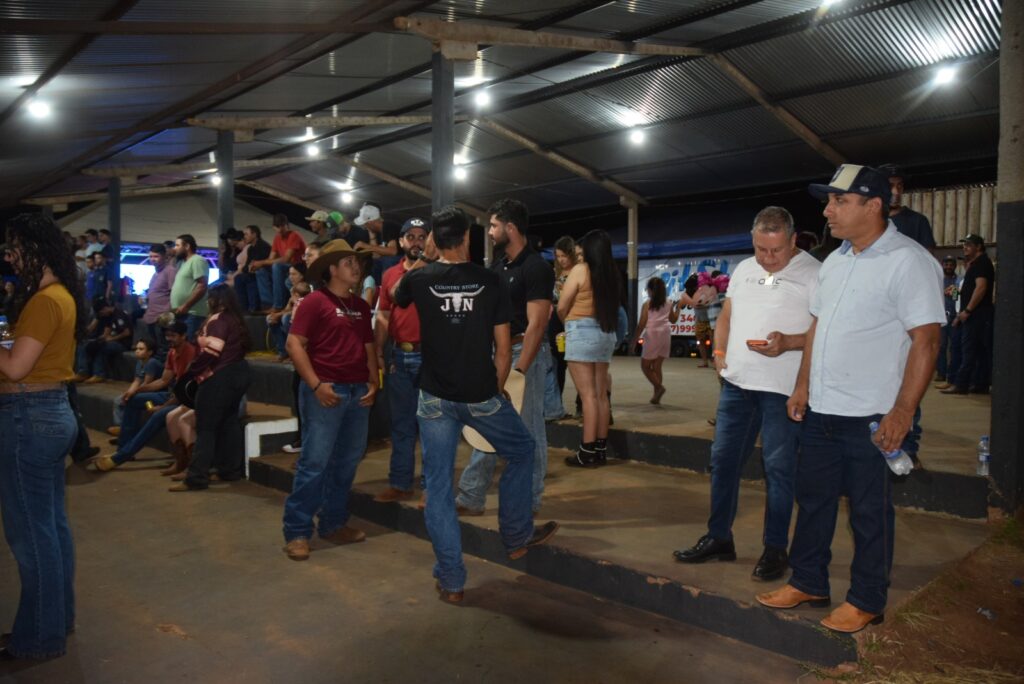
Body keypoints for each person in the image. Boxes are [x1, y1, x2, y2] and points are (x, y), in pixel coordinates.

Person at [757, 164, 943, 634]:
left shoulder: (910, 261)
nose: (828, 210)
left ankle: (866, 599)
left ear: (873, 205)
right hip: (822, 408)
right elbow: (818, 327)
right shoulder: (836, 260)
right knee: (814, 500)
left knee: (868, 512)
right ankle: (809, 582)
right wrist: (802, 385)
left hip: (872, 414)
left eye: (839, 200)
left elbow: (926, 341)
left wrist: (902, 411)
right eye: (829, 200)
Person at [391, 206, 559, 603]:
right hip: (480, 395)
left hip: (433, 398)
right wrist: (497, 388)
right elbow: (503, 349)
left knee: (438, 487)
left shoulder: (418, 279)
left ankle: (452, 581)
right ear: (467, 237)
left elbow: (398, 298)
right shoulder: (489, 280)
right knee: (521, 449)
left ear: (434, 238)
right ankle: (516, 536)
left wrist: (427, 258)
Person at [673, 206, 820, 583]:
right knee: (722, 461)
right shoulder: (744, 270)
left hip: (781, 390)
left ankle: (775, 548)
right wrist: (720, 354)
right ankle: (720, 537)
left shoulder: (815, 273)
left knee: (779, 469)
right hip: (738, 385)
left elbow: (824, 332)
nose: (768, 259)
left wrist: (790, 342)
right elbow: (726, 316)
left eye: (776, 250)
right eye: (760, 250)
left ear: (793, 240)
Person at [0, 213, 85, 661]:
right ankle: (56, 621)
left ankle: (38, 637)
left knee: (31, 537)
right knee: (51, 529)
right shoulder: (60, 296)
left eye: (14, 250)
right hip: (51, 413)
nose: (10, 259)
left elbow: (15, 367)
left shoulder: (44, 301)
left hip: (28, 417)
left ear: (36, 250)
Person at [455, 199, 554, 515]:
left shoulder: (536, 267)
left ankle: (530, 500)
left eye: (495, 226)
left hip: (525, 354)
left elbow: (537, 324)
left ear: (510, 227)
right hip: (497, 354)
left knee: (528, 428)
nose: (491, 232)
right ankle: (471, 496)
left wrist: (520, 369)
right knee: (488, 423)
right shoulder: (497, 268)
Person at [281, 240, 377, 560]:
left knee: (347, 462)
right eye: (348, 262)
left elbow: (368, 346)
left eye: (357, 262)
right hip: (327, 389)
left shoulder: (361, 307)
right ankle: (297, 531)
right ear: (331, 269)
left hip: (356, 391)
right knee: (315, 462)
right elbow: (295, 344)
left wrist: (374, 381)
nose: (356, 267)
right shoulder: (314, 301)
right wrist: (316, 385)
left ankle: (333, 523)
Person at [169, 284, 252, 491]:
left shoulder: (218, 320)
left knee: (206, 427)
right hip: (239, 373)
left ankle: (196, 477)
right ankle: (229, 470)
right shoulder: (235, 319)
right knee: (229, 422)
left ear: (217, 300)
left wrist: (192, 371)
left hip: (219, 376)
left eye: (209, 298)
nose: (207, 302)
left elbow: (212, 352)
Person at [373, 217, 429, 503]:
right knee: (402, 424)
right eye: (411, 236)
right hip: (399, 356)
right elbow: (383, 316)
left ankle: (431, 488)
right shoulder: (389, 275)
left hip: (431, 356)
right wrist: (379, 352)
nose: (416, 241)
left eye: (422, 236)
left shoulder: (435, 272)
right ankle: (400, 483)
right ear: (402, 241)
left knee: (433, 425)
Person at [94, 322, 197, 473]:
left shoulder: (191, 353)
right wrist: (136, 391)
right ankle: (123, 447)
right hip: (171, 394)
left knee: (158, 416)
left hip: (185, 399)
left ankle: (120, 457)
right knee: (134, 400)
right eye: (167, 335)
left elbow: (184, 391)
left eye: (173, 336)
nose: (169, 339)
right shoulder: (172, 352)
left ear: (184, 336)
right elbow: (164, 380)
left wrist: (162, 407)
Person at [558, 229, 620, 468]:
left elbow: (562, 305)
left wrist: (568, 322)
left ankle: (586, 451)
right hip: (605, 332)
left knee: (588, 397)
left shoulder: (580, 270)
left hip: (581, 332)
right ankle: (601, 449)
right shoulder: (611, 273)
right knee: (601, 395)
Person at [941, 234, 995, 395]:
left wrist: (968, 311)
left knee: (969, 350)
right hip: (964, 314)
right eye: (964, 245)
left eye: (969, 245)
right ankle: (979, 383)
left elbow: (981, 288)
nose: (965, 248)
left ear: (978, 247)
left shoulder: (981, 264)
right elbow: (965, 294)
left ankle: (961, 384)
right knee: (975, 350)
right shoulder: (970, 271)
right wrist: (956, 296)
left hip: (975, 315)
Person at [631, 277, 679, 404]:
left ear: (652, 291)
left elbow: (641, 324)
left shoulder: (648, 304)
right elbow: (673, 320)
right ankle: (656, 395)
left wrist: (634, 341)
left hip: (653, 335)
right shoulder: (668, 303)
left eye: (648, 289)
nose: (647, 291)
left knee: (645, 366)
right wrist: (678, 308)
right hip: (665, 334)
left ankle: (659, 388)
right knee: (657, 366)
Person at [543, 236, 575, 421]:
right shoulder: (556, 275)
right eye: (558, 256)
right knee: (557, 366)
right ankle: (556, 405)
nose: (562, 259)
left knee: (577, 365)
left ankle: (582, 404)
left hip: (572, 320)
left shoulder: (578, 273)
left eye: (564, 255)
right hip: (555, 323)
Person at [250, 214, 306, 313]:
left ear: (287, 225)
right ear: (274, 227)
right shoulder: (277, 238)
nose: (280, 229)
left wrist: (261, 262)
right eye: (277, 226)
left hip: (299, 266)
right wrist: (258, 265)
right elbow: (271, 258)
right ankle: (267, 304)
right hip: (287, 267)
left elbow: (286, 259)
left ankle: (278, 305)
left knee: (277, 266)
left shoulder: (294, 235)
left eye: (282, 226)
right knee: (261, 271)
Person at [108, 337, 162, 436]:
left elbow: (147, 384)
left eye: (141, 349)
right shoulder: (140, 362)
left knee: (146, 406)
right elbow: (137, 380)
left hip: (154, 396)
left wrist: (132, 394)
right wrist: (128, 393)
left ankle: (126, 431)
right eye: (137, 348)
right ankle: (120, 428)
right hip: (143, 393)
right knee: (119, 400)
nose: (137, 351)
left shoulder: (152, 363)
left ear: (150, 352)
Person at [74, 297, 132, 383]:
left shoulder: (119, 314)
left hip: (122, 343)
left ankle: (99, 374)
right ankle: (82, 372)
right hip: (111, 340)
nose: (101, 315)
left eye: (101, 312)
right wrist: (100, 339)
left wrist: (111, 339)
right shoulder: (108, 316)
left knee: (102, 348)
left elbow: (127, 333)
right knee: (85, 345)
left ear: (105, 309)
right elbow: (106, 332)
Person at [880, 165, 936, 250]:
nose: (896, 192)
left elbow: (928, 259)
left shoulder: (918, 221)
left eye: (899, 185)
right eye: (890, 186)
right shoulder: (867, 221)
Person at [169, 234, 209, 340]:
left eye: (177, 245)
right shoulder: (182, 263)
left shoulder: (197, 260)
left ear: (187, 246)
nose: (175, 248)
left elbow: (202, 285)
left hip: (192, 313)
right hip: (181, 312)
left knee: (189, 345)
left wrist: (186, 305)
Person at [141, 243, 176, 358]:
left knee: (163, 350)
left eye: (156, 256)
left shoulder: (170, 271)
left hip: (162, 317)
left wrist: (168, 314)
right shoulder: (155, 274)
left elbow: (173, 293)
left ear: (164, 256)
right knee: (155, 349)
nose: (152, 259)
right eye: (150, 256)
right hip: (151, 316)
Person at [267, 264, 308, 361]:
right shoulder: (292, 289)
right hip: (293, 314)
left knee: (286, 319)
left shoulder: (305, 288)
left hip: (304, 319)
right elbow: (288, 308)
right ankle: (283, 352)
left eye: (294, 274)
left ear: (301, 276)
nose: (290, 277)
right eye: (289, 274)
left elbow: (302, 308)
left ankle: (296, 351)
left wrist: (280, 314)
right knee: (270, 318)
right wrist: (277, 315)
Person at [351, 202, 400, 281]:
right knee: (375, 262)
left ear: (370, 222)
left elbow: (393, 251)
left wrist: (365, 246)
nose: (364, 226)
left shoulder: (389, 226)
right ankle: (376, 287)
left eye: (365, 224)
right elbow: (375, 256)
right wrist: (372, 235)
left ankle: (386, 286)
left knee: (387, 260)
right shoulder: (377, 232)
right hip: (392, 261)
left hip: (403, 259)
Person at [935, 256, 962, 388]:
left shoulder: (958, 279)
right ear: (942, 265)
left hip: (954, 317)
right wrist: (943, 292)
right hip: (941, 317)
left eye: (951, 264)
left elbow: (957, 296)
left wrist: (953, 292)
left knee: (954, 347)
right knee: (941, 346)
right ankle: (941, 372)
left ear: (955, 266)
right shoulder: (938, 279)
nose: (948, 267)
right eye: (946, 264)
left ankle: (953, 374)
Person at [234, 224, 273, 313]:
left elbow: (262, 263)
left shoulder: (264, 246)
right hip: (252, 272)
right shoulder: (250, 249)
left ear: (254, 234)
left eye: (246, 234)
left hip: (264, 273)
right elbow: (247, 265)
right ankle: (243, 309)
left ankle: (256, 307)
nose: (244, 237)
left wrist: (251, 267)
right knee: (239, 278)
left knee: (250, 278)